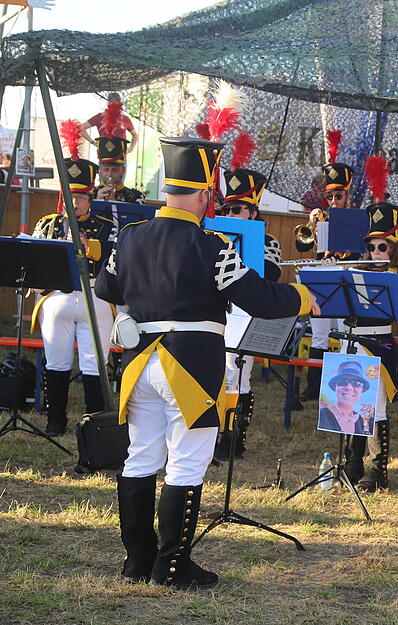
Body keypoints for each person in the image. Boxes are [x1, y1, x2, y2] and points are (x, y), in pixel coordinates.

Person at [95, 136, 319, 591]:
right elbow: (257, 297)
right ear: (204, 194)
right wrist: (302, 296)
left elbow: (105, 289)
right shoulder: (210, 244)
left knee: (140, 458)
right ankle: (172, 567)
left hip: (140, 363)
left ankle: (136, 562)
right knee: (187, 464)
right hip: (191, 365)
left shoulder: (131, 236)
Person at [31, 122, 116, 435]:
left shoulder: (106, 225)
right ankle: (56, 421)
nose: (75, 202)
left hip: (95, 297)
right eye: (70, 196)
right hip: (58, 298)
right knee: (56, 361)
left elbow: (113, 254)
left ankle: (93, 424)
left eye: (80, 197)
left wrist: (90, 246)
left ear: (90, 197)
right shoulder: (48, 223)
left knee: (95, 364)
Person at [337, 155, 398, 492]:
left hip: (377, 344)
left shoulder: (395, 277)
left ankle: (377, 468)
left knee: (373, 407)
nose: (375, 252)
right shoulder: (353, 271)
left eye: (383, 247)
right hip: (350, 341)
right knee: (347, 403)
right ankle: (351, 460)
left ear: (393, 251)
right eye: (371, 247)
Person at [213, 156, 283, 460]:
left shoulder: (267, 240)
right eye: (226, 209)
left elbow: (272, 273)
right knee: (215, 373)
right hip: (216, 311)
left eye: (237, 209)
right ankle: (214, 433)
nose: (230, 214)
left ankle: (233, 439)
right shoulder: (213, 237)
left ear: (253, 211)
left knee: (237, 375)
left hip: (245, 314)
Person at [298, 130, 354, 403]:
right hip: (322, 278)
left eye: (339, 197)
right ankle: (313, 387)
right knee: (319, 335)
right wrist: (312, 225)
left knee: (344, 335)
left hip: (344, 278)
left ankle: (338, 389)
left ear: (348, 195)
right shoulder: (318, 217)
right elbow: (301, 245)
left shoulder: (357, 220)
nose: (333, 202)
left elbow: (357, 253)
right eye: (330, 197)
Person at [318, 360, 373, 436]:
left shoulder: (361, 420)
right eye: (342, 381)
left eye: (356, 383)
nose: (349, 387)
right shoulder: (322, 417)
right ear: (335, 387)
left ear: (362, 389)